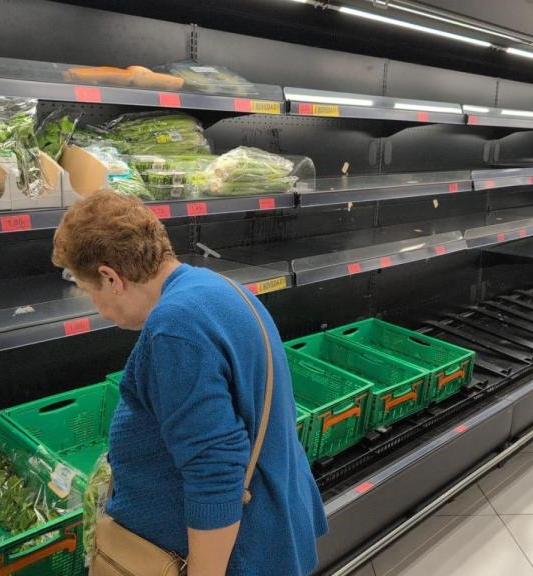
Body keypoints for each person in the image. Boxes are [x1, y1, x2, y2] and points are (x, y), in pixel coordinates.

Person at [52, 191, 327, 576]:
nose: (97, 308)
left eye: (90, 292)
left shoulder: (175, 330)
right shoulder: (214, 288)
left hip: (233, 558)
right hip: (269, 530)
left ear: (110, 277)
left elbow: (215, 473)